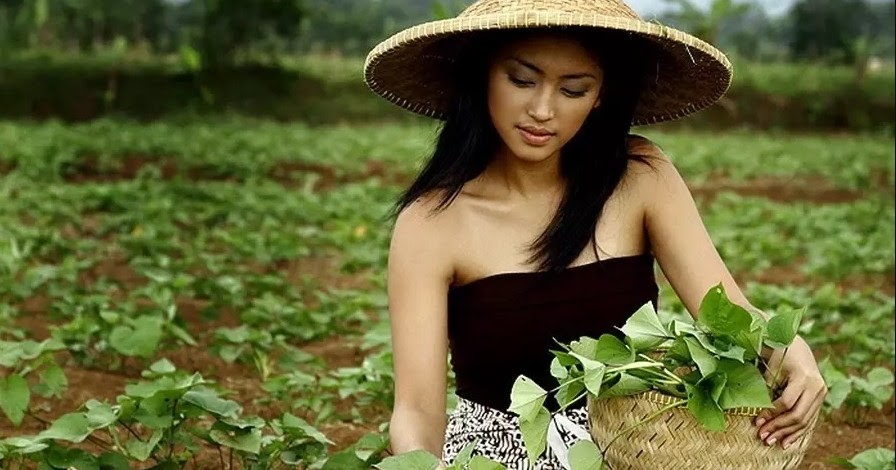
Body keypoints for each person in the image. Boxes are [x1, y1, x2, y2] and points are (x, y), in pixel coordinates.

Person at [363, 0, 827, 468]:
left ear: (601, 94)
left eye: (574, 89)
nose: (542, 110)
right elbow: (416, 411)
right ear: (482, 74)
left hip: (630, 450)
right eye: (521, 80)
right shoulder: (431, 222)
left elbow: (730, 317)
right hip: (492, 459)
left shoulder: (639, 177)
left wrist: (791, 351)